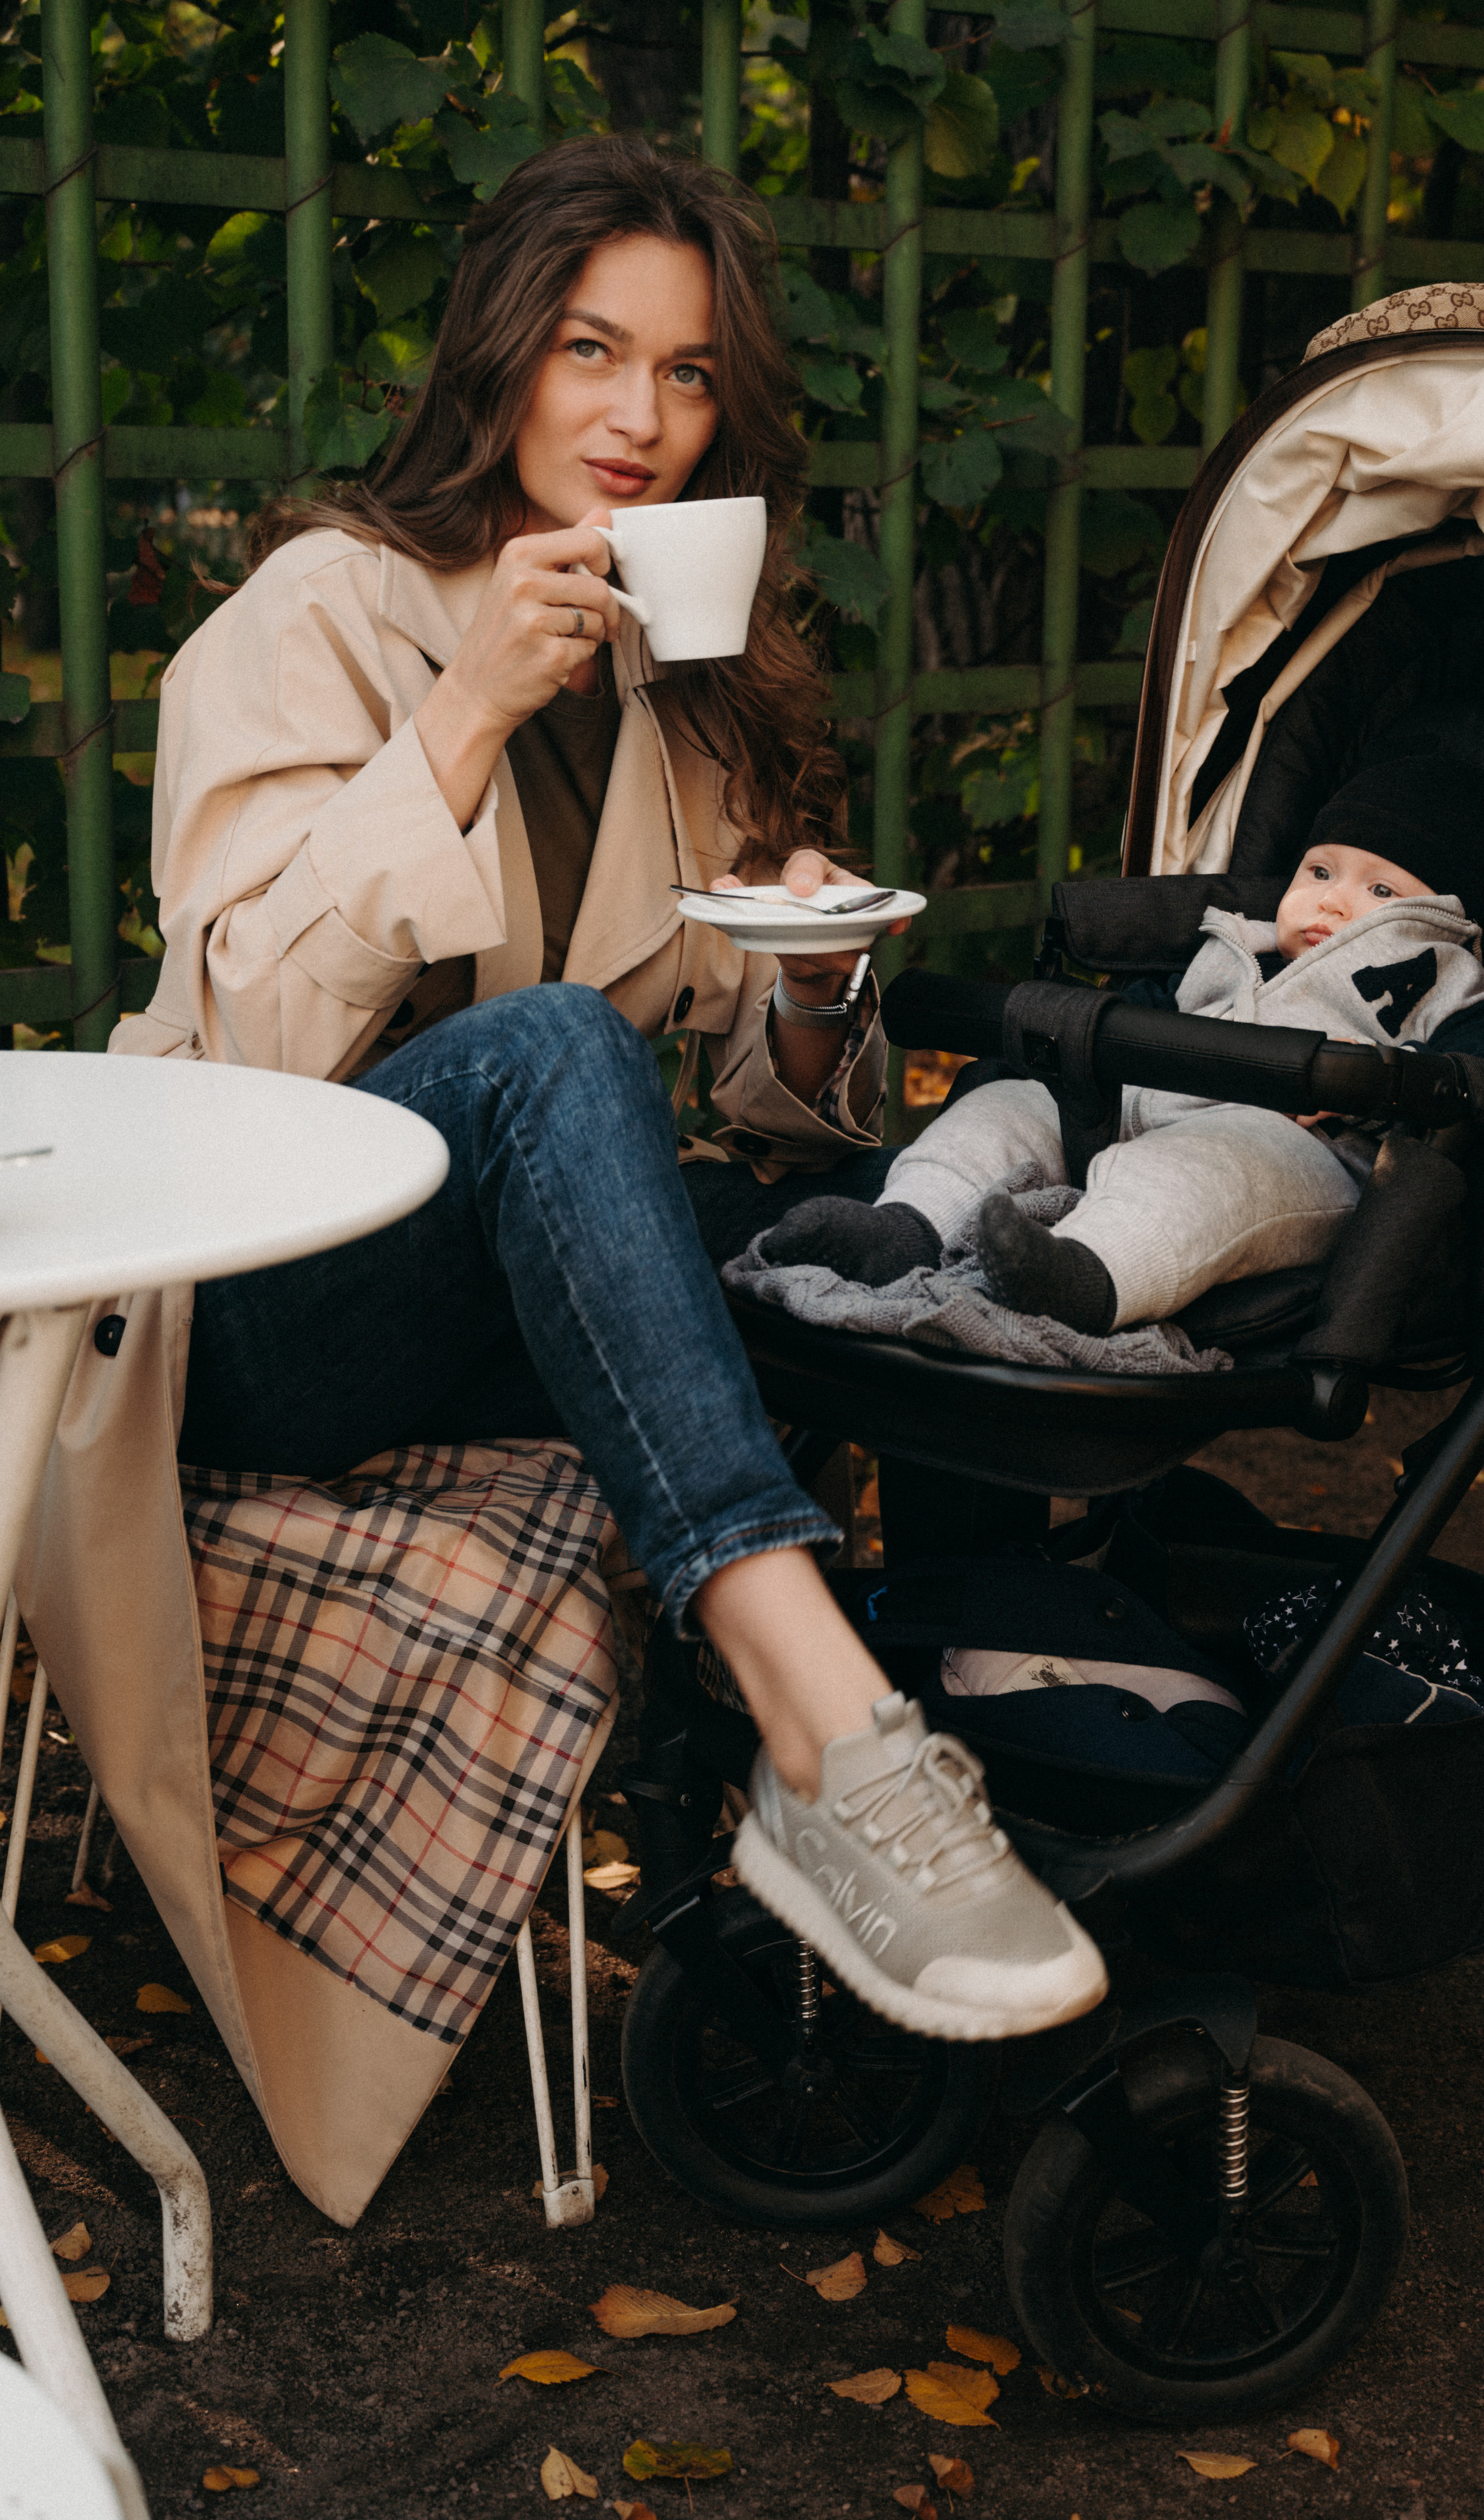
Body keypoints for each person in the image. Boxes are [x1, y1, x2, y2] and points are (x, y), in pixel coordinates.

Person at [112, 134, 1104, 2046]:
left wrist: (815, 988)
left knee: (871, 1218)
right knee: (565, 1049)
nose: (639, 413)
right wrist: (463, 710)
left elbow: (761, 1101)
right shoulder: (325, 610)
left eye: (688, 369)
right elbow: (242, 1050)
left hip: (478, 1304)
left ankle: (1003, 1732)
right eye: (592, 348)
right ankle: (836, 1741)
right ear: (503, 358)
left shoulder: (670, 675)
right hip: (251, 1312)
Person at [762, 758, 1484, 1334]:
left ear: (1445, 917)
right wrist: (1077, 1045)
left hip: (1296, 1155)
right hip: (1141, 1102)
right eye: (1320, 869)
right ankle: (905, 1226)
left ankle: (1083, 1274)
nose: (1332, 898)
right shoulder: (1238, 947)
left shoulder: (1447, 980)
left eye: (1381, 891)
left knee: (1203, 1173)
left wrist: (1383, 1083)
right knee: (1010, 1105)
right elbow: (1139, 1016)